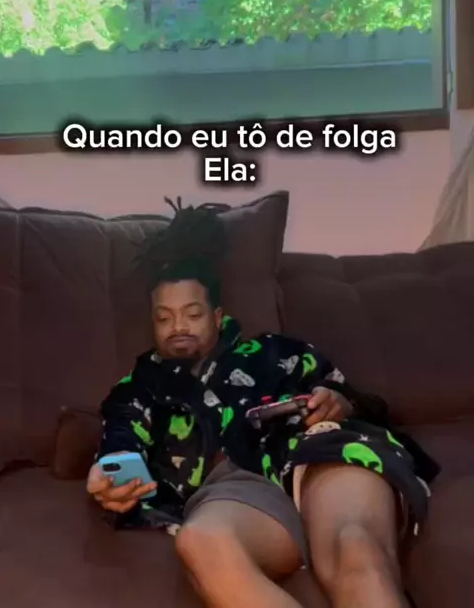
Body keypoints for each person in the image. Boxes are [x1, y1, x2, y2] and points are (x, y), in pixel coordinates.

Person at [87, 200, 439, 608]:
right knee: (202, 542)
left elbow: (361, 400)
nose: (177, 326)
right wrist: (110, 475)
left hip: (318, 451)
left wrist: (340, 403)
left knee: (355, 551)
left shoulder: (276, 352)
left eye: (192, 314)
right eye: (163, 318)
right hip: (236, 490)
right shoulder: (139, 386)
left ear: (217, 316)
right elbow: (120, 439)